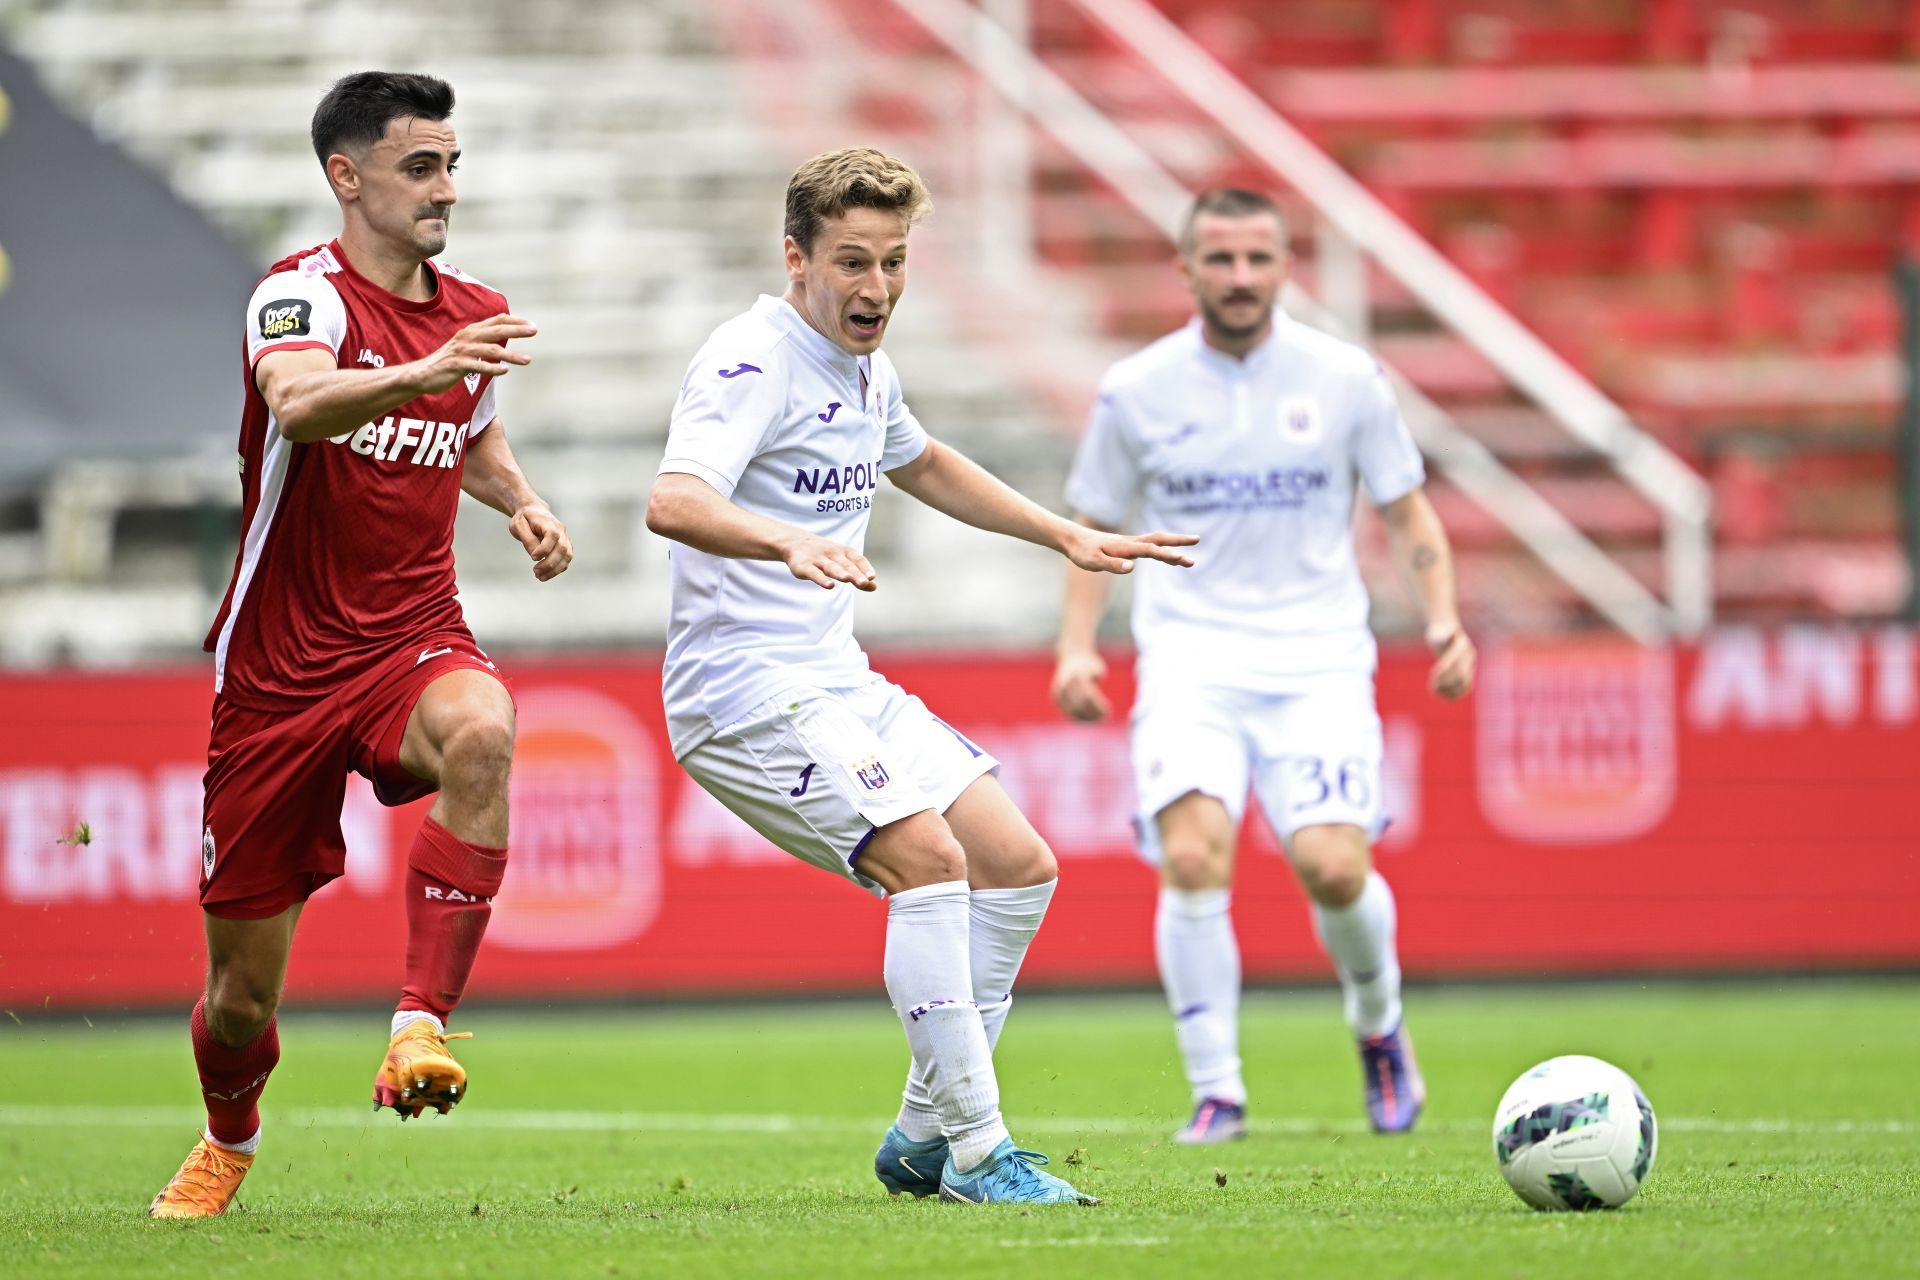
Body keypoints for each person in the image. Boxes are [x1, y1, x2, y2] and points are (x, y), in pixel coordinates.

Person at [646, 147, 1195, 1205]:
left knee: (1017, 859)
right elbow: (674, 500)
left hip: (831, 673)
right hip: (741, 687)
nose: (877, 288)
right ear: (796, 257)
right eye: (853, 262)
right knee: (928, 859)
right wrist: (785, 544)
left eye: (894, 262)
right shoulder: (750, 359)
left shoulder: (868, 368)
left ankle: (920, 1135)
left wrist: (1064, 534)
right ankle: (983, 1152)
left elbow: (924, 459)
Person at [148, 71, 573, 1218]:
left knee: (484, 730)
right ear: (347, 176)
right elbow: (299, 403)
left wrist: (520, 500)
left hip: (408, 639)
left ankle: (418, 1023)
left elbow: (468, 432)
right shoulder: (299, 297)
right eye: (418, 167)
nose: (444, 188)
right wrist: (423, 369)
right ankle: (227, 1135)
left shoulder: (467, 305)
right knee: (240, 997)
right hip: (277, 675)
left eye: (451, 165)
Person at [1050, 188, 1475, 1145]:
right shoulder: (1136, 390)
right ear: (1187, 269)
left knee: (1332, 867)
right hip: (1191, 660)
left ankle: (1378, 1024)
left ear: (1286, 268)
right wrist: (1077, 645)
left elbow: (1408, 511)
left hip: (1319, 661)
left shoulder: (1346, 379)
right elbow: (1096, 530)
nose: (1240, 277)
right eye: (1221, 259)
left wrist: (1443, 618)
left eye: (1257, 259)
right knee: (1195, 856)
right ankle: (1218, 1091)